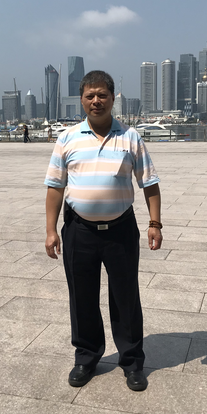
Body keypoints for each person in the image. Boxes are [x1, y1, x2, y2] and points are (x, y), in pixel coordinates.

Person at [44, 70, 162, 392]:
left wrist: (155, 223)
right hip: (79, 231)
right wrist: (51, 230)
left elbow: (150, 184)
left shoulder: (131, 137)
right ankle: (86, 356)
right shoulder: (67, 138)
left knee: (126, 298)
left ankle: (132, 362)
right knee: (81, 297)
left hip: (120, 231)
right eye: (90, 96)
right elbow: (55, 187)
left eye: (102, 95)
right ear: (82, 100)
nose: (96, 101)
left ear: (112, 99)